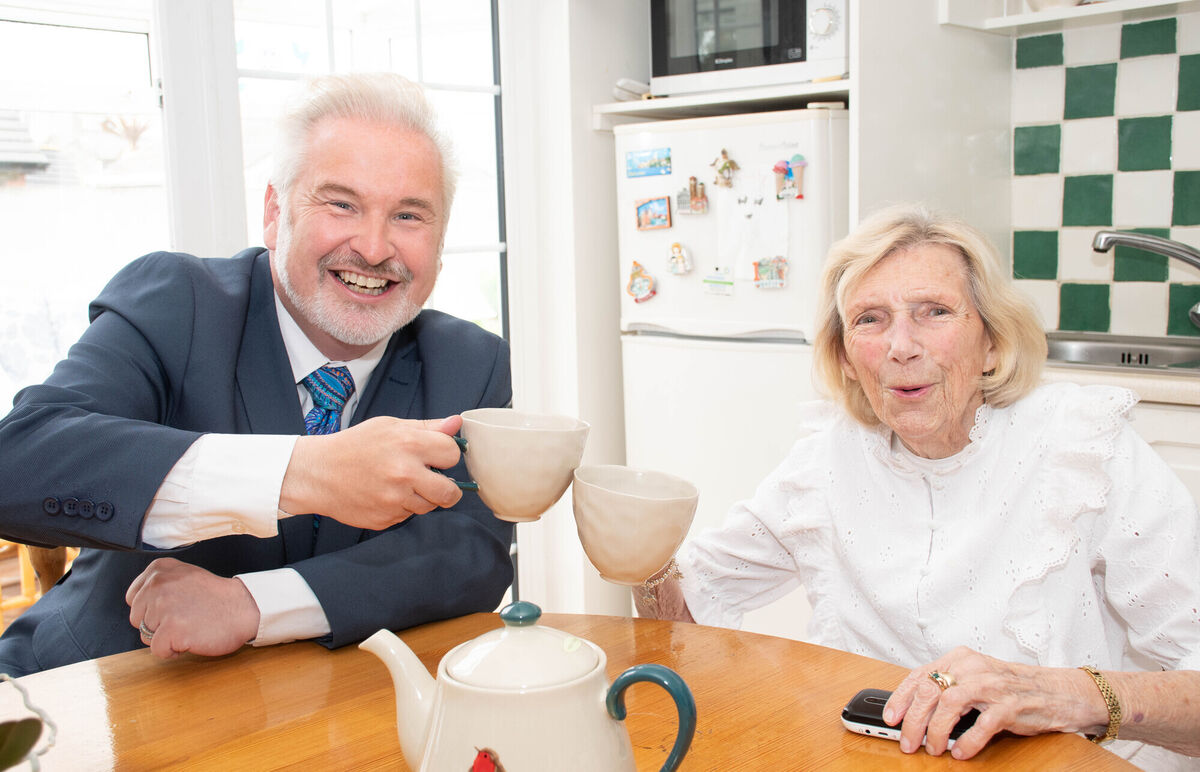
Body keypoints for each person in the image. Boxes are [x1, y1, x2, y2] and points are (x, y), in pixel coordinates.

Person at [637, 204, 1200, 767]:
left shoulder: (1084, 447)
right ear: (846, 359)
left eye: (934, 312)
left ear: (993, 344)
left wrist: (1061, 695)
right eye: (870, 319)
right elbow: (687, 609)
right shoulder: (825, 460)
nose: (901, 346)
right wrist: (636, 548)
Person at [0, 73, 514, 677]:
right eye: (341, 204)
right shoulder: (176, 303)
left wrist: (254, 604)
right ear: (274, 212)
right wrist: (305, 472)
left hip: (312, 721)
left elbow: (468, 555)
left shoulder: (472, 362)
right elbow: (20, 463)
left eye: (408, 215)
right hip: (83, 701)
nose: (374, 248)